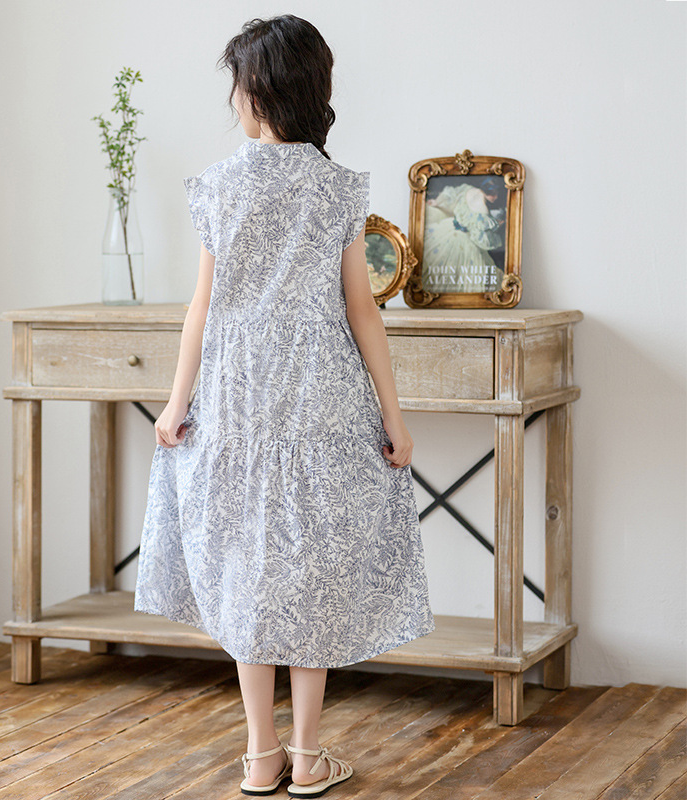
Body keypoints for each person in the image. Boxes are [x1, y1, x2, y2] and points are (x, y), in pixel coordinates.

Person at [133, 14, 434, 798]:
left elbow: (201, 311)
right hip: (319, 403)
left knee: (245, 571)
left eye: (237, 85)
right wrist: (394, 416)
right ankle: (306, 757)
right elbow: (362, 311)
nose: (232, 99)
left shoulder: (219, 186)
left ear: (259, 92)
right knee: (310, 574)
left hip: (236, 405)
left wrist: (173, 406)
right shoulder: (337, 188)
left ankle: (259, 755)